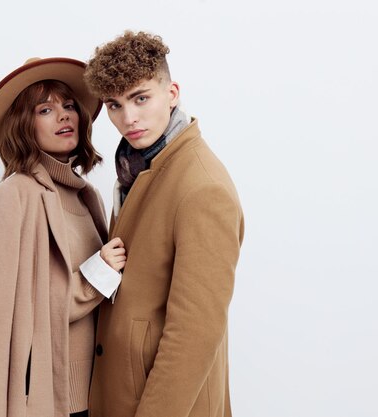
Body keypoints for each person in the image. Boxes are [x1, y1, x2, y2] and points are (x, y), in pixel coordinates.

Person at [82, 31, 245, 417]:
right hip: (121, 392)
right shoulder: (136, 167)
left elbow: (195, 333)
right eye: (114, 105)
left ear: (171, 93)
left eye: (141, 98)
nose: (128, 118)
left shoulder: (202, 187)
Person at [0, 57, 125, 417]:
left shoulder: (89, 198)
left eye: (69, 106)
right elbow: (11, 311)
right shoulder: (14, 196)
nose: (64, 115)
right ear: (24, 124)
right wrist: (98, 273)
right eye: (45, 109)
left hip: (98, 393)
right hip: (44, 398)